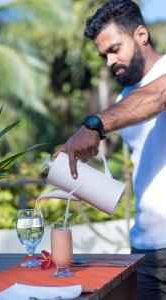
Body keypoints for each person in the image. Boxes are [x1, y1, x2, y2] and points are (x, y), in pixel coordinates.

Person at [55, 0, 166, 299]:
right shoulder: (125, 95)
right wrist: (75, 168)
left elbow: (156, 96)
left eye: (114, 49)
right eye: (103, 55)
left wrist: (93, 124)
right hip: (145, 250)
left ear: (141, 34)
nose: (108, 61)